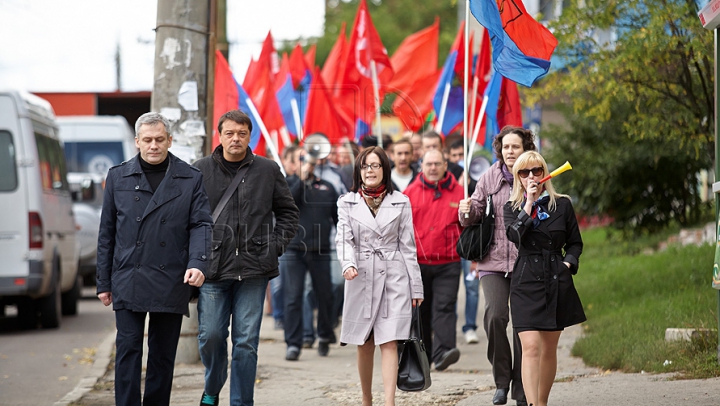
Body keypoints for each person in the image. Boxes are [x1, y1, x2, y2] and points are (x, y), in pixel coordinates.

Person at [96, 112, 212, 406]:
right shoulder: (117, 176)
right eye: (147, 140)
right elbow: (106, 232)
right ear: (137, 142)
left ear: (169, 140)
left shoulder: (190, 178)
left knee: (162, 355)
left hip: (170, 277)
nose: (153, 145)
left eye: (160, 139)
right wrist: (103, 282)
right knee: (128, 348)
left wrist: (198, 263)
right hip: (127, 276)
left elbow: (201, 225)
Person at [193, 109, 299, 406]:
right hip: (212, 271)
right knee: (211, 337)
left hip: (254, 271)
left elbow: (289, 213)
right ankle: (213, 386)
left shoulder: (267, 169)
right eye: (230, 133)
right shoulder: (199, 170)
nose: (236, 138)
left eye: (241, 133)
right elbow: (187, 219)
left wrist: (274, 246)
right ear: (220, 136)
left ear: (250, 136)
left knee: (246, 344)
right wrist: (196, 257)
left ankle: (241, 402)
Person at [336, 146, 424, 406]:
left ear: (385, 169)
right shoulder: (346, 202)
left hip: (394, 276)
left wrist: (416, 287)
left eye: (375, 165)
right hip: (360, 275)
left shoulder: (401, 201)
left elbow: (408, 247)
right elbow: (343, 238)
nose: (370, 171)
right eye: (365, 166)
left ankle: (389, 402)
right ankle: (366, 398)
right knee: (364, 342)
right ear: (358, 170)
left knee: (389, 341)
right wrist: (348, 264)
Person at [458, 126, 536, 406]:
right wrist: (465, 210)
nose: (510, 152)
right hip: (492, 260)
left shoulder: (535, 173)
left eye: (515, 147)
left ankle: (522, 387)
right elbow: (475, 212)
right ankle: (501, 382)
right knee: (495, 316)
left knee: (523, 326)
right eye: (506, 147)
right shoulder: (489, 176)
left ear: (526, 148)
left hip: (526, 261)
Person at [503, 151, 585, 406]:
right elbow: (515, 235)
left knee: (549, 349)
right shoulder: (511, 207)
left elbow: (575, 242)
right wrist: (528, 202)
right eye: (524, 173)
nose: (531, 176)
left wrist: (567, 263)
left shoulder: (562, 204)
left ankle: (541, 402)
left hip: (555, 280)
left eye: (536, 171)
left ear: (545, 173)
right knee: (531, 348)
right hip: (526, 281)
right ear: (517, 177)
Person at [404, 149, 464, 371]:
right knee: (421, 311)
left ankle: (443, 353)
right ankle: (423, 356)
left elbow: (468, 225)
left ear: (445, 165)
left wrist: (468, 213)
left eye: (437, 164)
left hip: (448, 261)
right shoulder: (409, 193)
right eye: (429, 164)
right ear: (421, 166)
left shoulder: (459, 192)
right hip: (418, 263)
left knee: (444, 307)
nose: (433, 168)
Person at [283, 151, 339, 360]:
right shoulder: (288, 184)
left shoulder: (327, 187)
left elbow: (337, 219)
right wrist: (301, 179)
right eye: (302, 160)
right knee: (293, 297)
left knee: (326, 295)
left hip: (321, 249)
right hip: (295, 249)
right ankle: (293, 343)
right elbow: (289, 202)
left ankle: (324, 335)